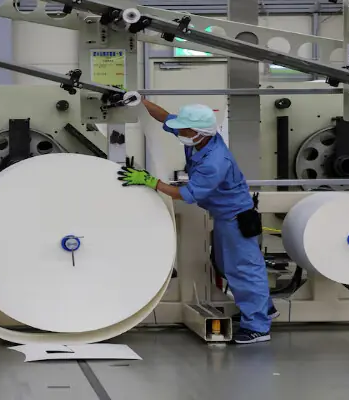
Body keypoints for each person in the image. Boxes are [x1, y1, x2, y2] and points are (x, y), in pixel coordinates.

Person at [117, 100, 275, 344]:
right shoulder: (199, 137)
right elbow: (165, 117)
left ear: (199, 133)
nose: (179, 132)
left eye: (184, 130)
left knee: (243, 269)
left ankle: (258, 326)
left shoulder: (215, 161)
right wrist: (141, 100)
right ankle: (264, 308)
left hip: (235, 217)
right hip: (225, 216)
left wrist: (150, 182)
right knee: (226, 263)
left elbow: (186, 195)